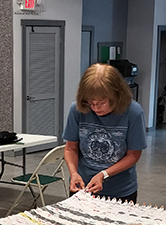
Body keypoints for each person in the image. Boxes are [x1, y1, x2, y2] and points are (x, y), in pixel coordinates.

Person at [63, 63, 147, 203]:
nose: (95, 108)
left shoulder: (133, 112)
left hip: (120, 191)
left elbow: (133, 155)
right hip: (82, 187)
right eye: (91, 102)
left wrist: (104, 174)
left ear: (117, 95)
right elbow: (70, 148)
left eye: (102, 102)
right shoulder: (77, 109)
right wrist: (73, 173)